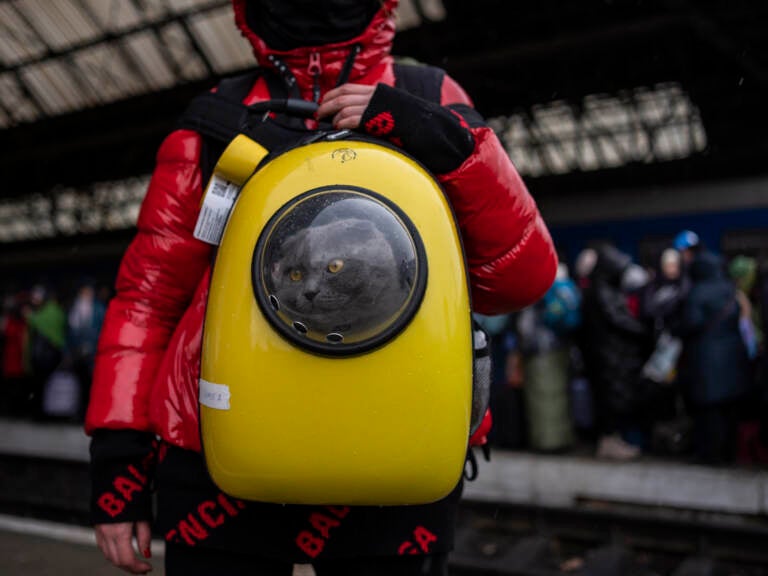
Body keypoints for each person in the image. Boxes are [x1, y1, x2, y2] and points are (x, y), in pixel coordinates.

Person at [85, 2, 558, 575]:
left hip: (395, 437)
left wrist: (445, 142)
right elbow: (150, 297)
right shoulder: (214, 120)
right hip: (218, 445)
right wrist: (119, 464)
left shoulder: (428, 99)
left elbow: (520, 277)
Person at [580, 244, 653, 460]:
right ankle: (609, 441)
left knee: (610, 400)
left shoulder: (597, 288)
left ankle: (611, 440)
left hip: (605, 356)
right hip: (608, 357)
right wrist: (643, 332)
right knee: (611, 401)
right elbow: (618, 320)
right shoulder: (602, 290)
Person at [679, 250, 751, 464]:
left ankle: (712, 455)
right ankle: (730, 454)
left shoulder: (697, 292)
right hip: (733, 359)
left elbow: (690, 324)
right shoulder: (730, 289)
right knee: (730, 412)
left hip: (706, 361)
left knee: (710, 414)